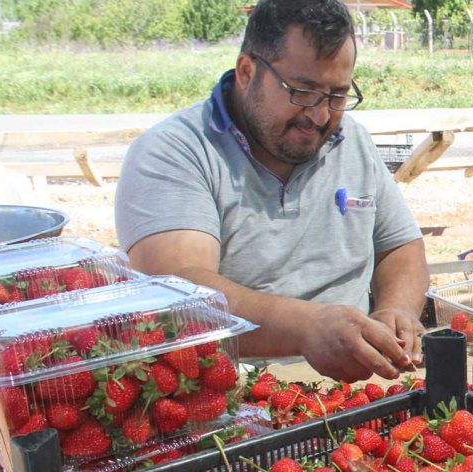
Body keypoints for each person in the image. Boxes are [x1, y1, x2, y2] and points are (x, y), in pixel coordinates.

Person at [114, 0, 428, 382]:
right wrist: (307, 328)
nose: (320, 115)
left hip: (360, 386)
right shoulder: (177, 151)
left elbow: (400, 246)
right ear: (247, 72)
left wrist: (396, 310)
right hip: (234, 390)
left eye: (337, 95)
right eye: (303, 91)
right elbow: (179, 290)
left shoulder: (351, 140)